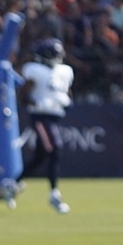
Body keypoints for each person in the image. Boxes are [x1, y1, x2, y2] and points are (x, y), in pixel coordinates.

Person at [15, 38, 73, 213]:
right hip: (41, 117)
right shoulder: (35, 70)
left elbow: (66, 91)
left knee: (40, 156)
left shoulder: (64, 71)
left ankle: (13, 183)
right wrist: (36, 103)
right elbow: (23, 96)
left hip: (55, 116)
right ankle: (55, 195)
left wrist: (65, 99)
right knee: (54, 148)